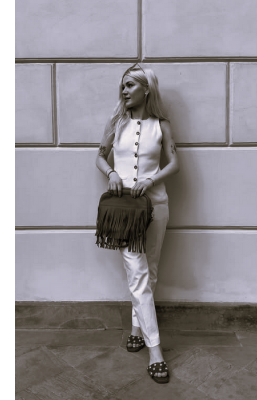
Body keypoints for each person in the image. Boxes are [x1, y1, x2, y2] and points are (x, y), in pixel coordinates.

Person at [95, 63, 180, 384]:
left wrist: (151, 179)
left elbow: (175, 164)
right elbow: (99, 156)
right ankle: (155, 351)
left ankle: (135, 329)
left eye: (130, 85)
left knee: (150, 270)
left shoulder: (162, 126)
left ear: (147, 89)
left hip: (156, 206)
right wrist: (111, 173)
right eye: (123, 85)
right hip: (124, 211)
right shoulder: (115, 123)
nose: (124, 90)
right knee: (138, 274)